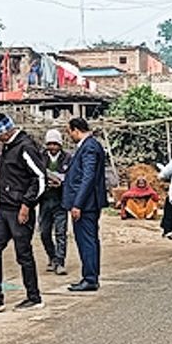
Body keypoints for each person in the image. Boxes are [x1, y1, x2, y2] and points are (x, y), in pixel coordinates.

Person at [0, 113, 46, 312]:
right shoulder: (8, 147)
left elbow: (40, 179)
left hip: (20, 210)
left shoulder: (26, 147)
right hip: (3, 208)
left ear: (7, 132)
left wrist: (27, 205)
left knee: (23, 254)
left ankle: (34, 297)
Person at [62, 117, 106, 292]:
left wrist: (77, 204)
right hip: (88, 203)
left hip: (86, 204)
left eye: (69, 131)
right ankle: (90, 276)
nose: (69, 135)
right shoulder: (91, 146)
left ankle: (90, 278)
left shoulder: (89, 148)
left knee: (86, 240)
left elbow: (88, 178)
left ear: (75, 130)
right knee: (89, 240)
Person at [39, 128, 70, 275]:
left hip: (60, 200)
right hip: (45, 200)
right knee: (44, 232)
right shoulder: (41, 158)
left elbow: (70, 177)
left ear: (60, 144)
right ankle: (52, 256)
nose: (52, 147)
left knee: (60, 233)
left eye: (55, 144)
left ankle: (60, 262)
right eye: (49, 144)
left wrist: (61, 183)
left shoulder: (67, 158)